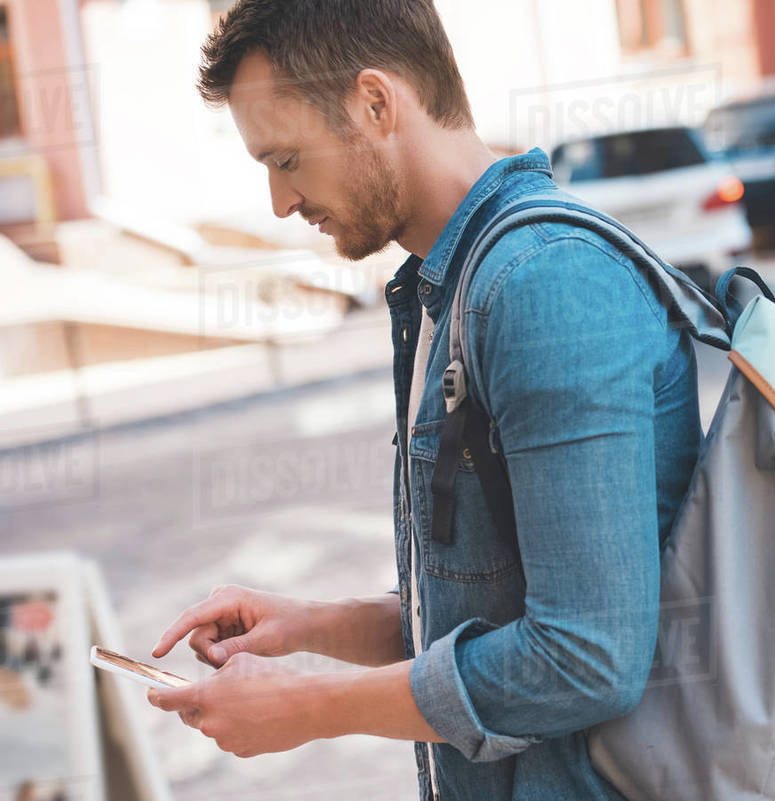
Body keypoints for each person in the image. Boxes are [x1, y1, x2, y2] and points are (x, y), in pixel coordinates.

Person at [146, 1, 703, 799]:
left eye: (288, 159)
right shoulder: (460, 283)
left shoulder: (543, 282)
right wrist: (306, 626)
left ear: (377, 103)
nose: (278, 201)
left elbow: (585, 656)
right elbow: (492, 605)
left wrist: (308, 706)